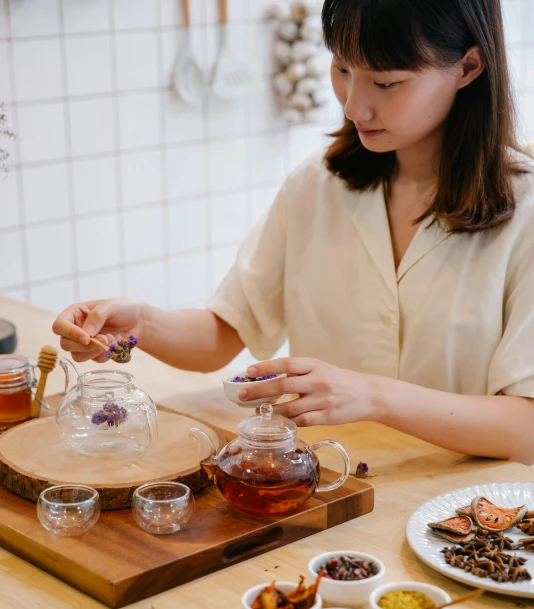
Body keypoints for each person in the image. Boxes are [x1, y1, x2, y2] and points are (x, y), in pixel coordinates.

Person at [53, 0, 534, 464]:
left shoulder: (525, 211)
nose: (354, 107)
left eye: (386, 83)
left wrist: (372, 396)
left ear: (469, 67)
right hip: (328, 488)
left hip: (461, 519)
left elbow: (526, 429)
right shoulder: (318, 185)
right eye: (343, 69)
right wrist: (142, 325)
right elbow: (225, 331)